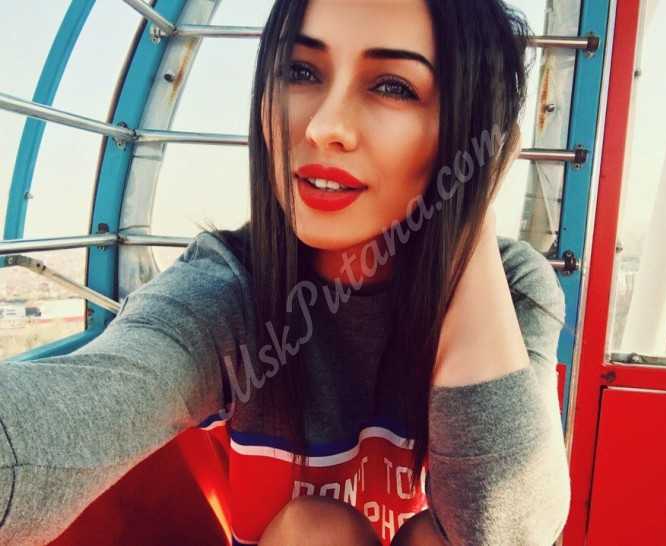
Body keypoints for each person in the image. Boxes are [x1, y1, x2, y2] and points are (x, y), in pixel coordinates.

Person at [0, 0, 571, 544]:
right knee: (314, 534)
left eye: (393, 86)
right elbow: (89, 400)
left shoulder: (512, 287)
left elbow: (510, 532)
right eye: (300, 72)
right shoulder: (230, 288)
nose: (324, 127)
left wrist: (467, 207)